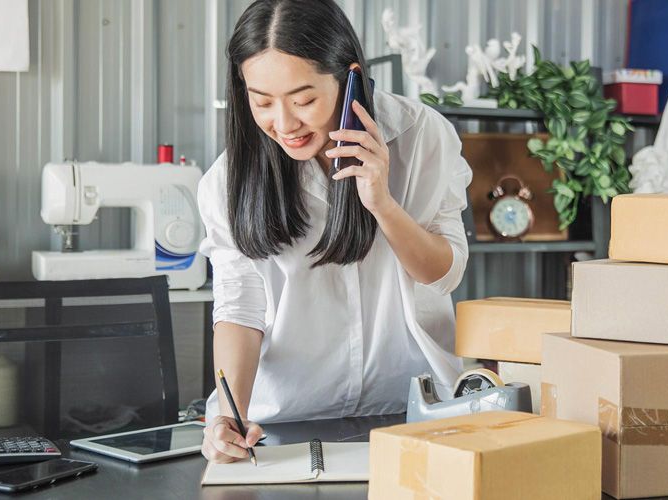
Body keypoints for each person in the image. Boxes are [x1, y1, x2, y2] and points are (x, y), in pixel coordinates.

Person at [198, 0, 471, 463]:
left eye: (304, 100)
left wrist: (382, 202)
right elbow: (239, 306)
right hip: (283, 421)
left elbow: (442, 274)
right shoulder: (228, 180)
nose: (283, 125)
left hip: (412, 409)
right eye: (262, 102)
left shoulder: (422, 135)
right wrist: (231, 415)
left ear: (349, 78)